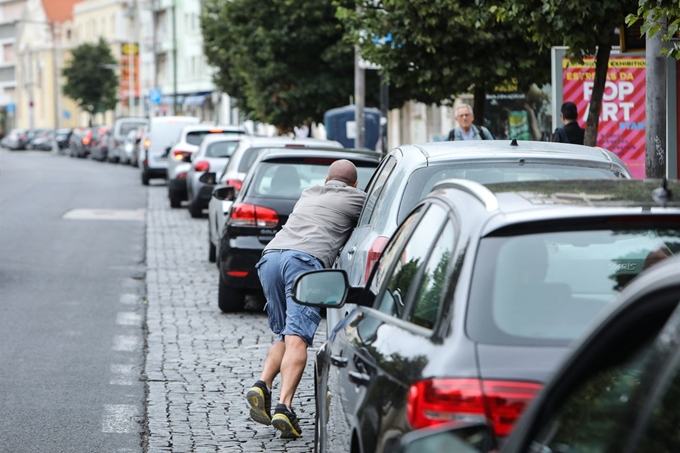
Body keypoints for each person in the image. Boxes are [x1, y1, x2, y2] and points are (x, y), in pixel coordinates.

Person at [246, 159, 366, 439]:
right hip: (303, 261)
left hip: (271, 257)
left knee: (284, 334)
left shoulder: (309, 193)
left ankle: (262, 384)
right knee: (297, 338)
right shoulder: (357, 199)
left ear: (326, 181)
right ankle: (284, 407)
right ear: (355, 184)